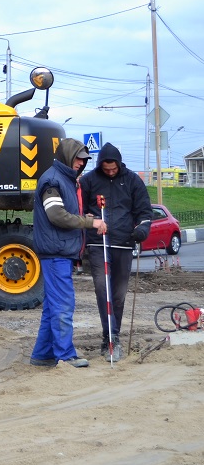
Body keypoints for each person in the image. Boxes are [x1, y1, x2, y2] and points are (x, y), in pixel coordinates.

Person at [30, 138, 107, 368]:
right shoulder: (53, 180)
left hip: (59, 251)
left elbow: (62, 213)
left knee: (53, 306)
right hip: (56, 252)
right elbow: (56, 215)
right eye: (78, 159)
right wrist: (88, 223)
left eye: (84, 160)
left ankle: (43, 355)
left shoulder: (64, 179)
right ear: (67, 156)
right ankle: (66, 355)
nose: (81, 163)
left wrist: (85, 220)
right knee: (63, 304)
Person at [80, 143, 152, 361]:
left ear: (119, 164)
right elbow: (79, 209)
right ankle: (108, 338)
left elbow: (144, 211)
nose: (110, 172)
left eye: (114, 169)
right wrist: (87, 220)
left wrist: (142, 229)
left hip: (123, 244)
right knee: (103, 291)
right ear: (100, 164)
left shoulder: (132, 181)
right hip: (97, 244)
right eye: (106, 169)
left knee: (118, 295)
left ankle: (115, 335)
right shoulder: (89, 181)